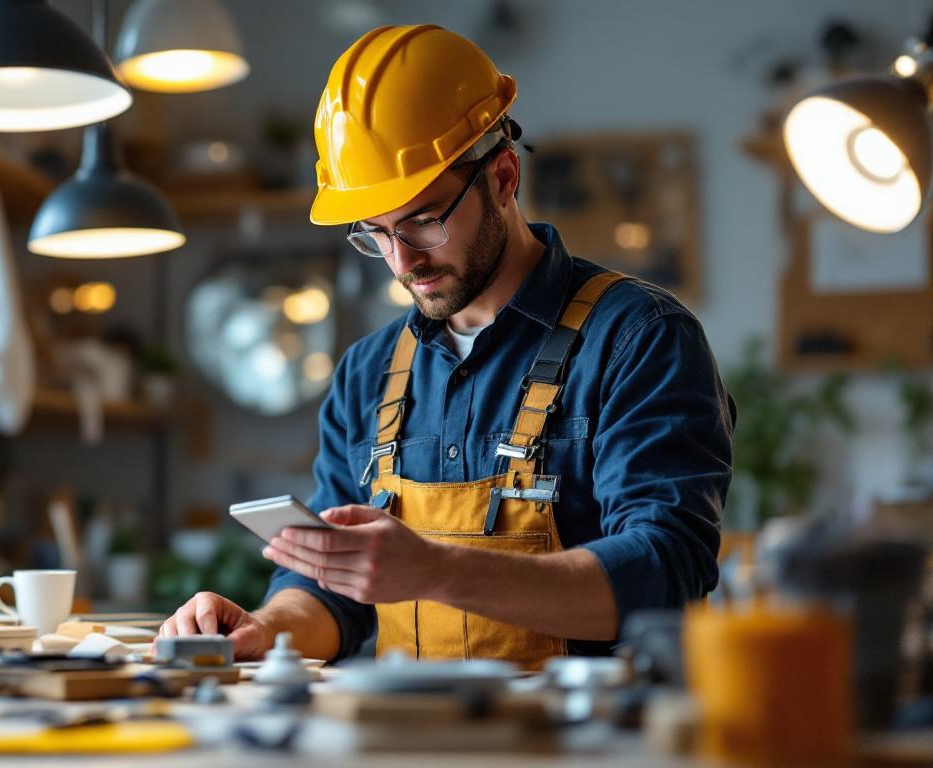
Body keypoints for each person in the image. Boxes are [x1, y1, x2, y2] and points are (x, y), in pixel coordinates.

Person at [158, 24, 734, 669]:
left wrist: (437, 571)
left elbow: (666, 572)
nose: (403, 260)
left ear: (504, 178)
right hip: (407, 739)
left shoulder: (638, 337)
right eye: (375, 232)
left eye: (425, 219)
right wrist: (267, 629)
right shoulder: (367, 372)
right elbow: (334, 594)